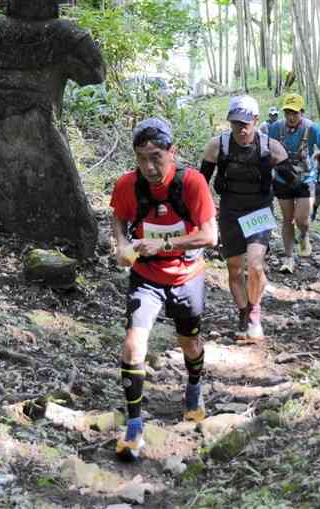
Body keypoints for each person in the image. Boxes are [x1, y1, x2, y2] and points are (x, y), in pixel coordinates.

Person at [110, 118, 218, 461]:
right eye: (142, 158)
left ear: (172, 153)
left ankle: (194, 387)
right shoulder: (129, 184)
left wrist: (166, 244)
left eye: (156, 157)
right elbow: (118, 216)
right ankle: (134, 424)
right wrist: (122, 244)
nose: (149, 166)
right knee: (133, 344)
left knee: (189, 343)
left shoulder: (192, 183)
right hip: (146, 276)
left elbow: (209, 236)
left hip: (187, 275)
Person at [200, 96, 292, 342]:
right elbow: (200, 183)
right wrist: (203, 212)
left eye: (246, 123)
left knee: (255, 264)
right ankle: (243, 312)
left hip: (259, 210)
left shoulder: (270, 147)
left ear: (256, 121)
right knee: (234, 268)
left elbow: (291, 180)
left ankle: (254, 312)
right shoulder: (217, 146)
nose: (241, 129)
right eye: (235, 123)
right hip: (230, 210)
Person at [269, 93, 320, 273]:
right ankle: (289, 258)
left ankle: (305, 233)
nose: (291, 117)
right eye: (288, 113)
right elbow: (265, 149)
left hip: (306, 179)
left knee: (301, 219)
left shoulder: (312, 128)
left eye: (295, 113)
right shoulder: (276, 128)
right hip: (282, 179)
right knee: (287, 219)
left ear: (302, 112)